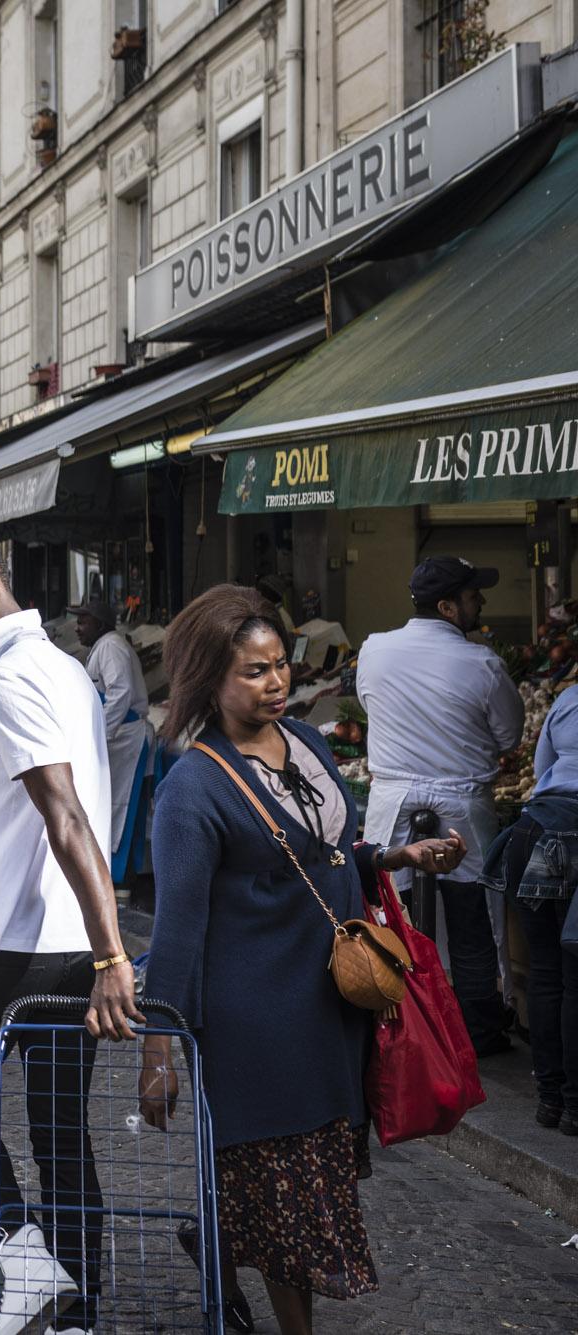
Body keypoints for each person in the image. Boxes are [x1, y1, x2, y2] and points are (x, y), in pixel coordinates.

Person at [145, 585, 465, 1335]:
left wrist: (393, 853)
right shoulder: (191, 789)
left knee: (299, 1179)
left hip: (330, 1014)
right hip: (255, 1024)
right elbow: (180, 926)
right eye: (253, 671)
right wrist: (158, 1046)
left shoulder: (311, 744)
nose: (277, 682)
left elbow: (319, 855)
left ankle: (215, 1236)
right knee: (293, 1200)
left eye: (280, 664)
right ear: (209, 679)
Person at [0, 539, 139, 1335]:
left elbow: (67, 813)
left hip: (2, 937)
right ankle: (77, 1309)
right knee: (58, 1128)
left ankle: (23, 1253)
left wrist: (115, 955)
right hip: (68, 940)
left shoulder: (9, 676)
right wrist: (98, 947)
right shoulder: (66, 668)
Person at [355, 556, 522, 1055]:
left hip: (393, 802)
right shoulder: (483, 662)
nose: (481, 603)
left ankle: (400, 1026)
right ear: (448, 607)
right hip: (462, 803)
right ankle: (479, 1032)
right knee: (470, 922)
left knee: (392, 919)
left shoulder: (373, 650)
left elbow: (368, 705)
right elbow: (509, 734)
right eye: (474, 596)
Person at [485, 681, 578, 1134]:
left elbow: (542, 770)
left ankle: (550, 1101)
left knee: (545, 972)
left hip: (535, 829)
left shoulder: (567, 698)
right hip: (572, 835)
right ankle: (575, 1107)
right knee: (574, 977)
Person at [72, 599, 153, 874]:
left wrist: (100, 736)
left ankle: (121, 876)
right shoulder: (103, 647)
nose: (77, 628)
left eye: (83, 621)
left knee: (121, 805)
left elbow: (120, 692)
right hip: (117, 738)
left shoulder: (111, 647)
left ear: (101, 623)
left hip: (125, 738)